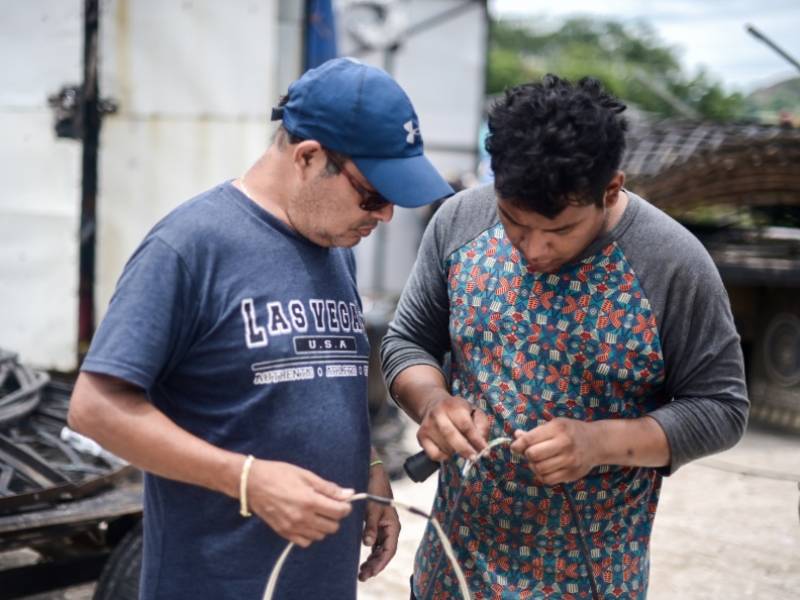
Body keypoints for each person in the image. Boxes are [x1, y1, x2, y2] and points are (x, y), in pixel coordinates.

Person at [68, 57, 453, 600]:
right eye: (373, 195)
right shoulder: (190, 248)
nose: (385, 216)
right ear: (309, 157)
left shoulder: (333, 246)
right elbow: (95, 409)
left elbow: (317, 385)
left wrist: (366, 464)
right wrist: (248, 480)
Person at [381, 74, 748, 599]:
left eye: (559, 231)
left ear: (611, 189)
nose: (533, 251)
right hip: (451, 577)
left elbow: (721, 408)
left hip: (591, 583)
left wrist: (599, 442)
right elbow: (407, 342)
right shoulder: (461, 220)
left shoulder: (671, 262)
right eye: (514, 223)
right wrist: (433, 400)